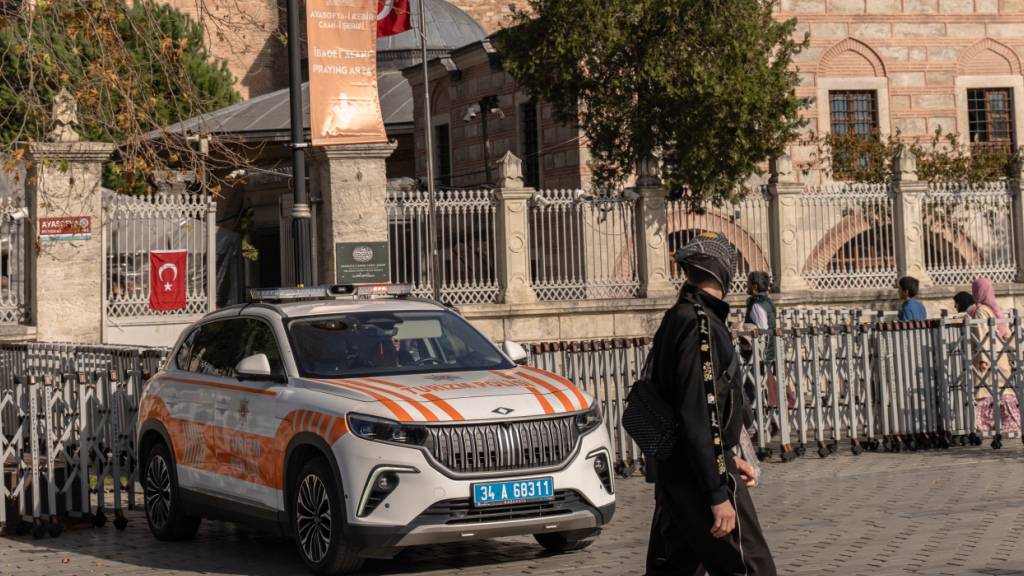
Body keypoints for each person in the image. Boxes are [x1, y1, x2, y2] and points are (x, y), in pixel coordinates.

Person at [646, 232, 776, 576]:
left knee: (675, 569)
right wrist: (718, 492)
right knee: (751, 568)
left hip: (680, 471)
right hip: (700, 477)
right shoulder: (699, 325)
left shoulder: (680, 316)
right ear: (723, 273)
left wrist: (730, 457)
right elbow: (698, 413)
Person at [967, 276, 1022, 434]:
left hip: (988, 359)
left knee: (986, 393)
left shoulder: (980, 311)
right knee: (1003, 393)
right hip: (1000, 357)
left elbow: (983, 334)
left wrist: (983, 359)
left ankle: (990, 427)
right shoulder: (995, 309)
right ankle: (1011, 425)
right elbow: (1006, 334)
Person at [744, 271, 776, 403]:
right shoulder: (767, 301)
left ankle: (756, 419)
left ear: (755, 287)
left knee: (753, 390)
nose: (746, 285)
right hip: (767, 353)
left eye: (749, 283)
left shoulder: (757, 304)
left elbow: (762, 331)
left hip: (759, 355)